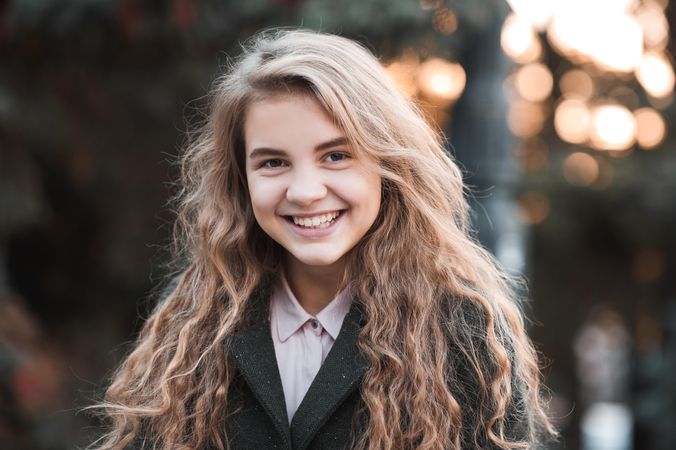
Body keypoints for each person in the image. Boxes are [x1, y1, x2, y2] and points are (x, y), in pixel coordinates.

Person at [89, 28, 557, 449]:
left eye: (335, 156)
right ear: (241, 180)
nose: (306, 192)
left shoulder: (465, 330)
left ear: (387, 164)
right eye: (272, 162)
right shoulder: (193, 320)